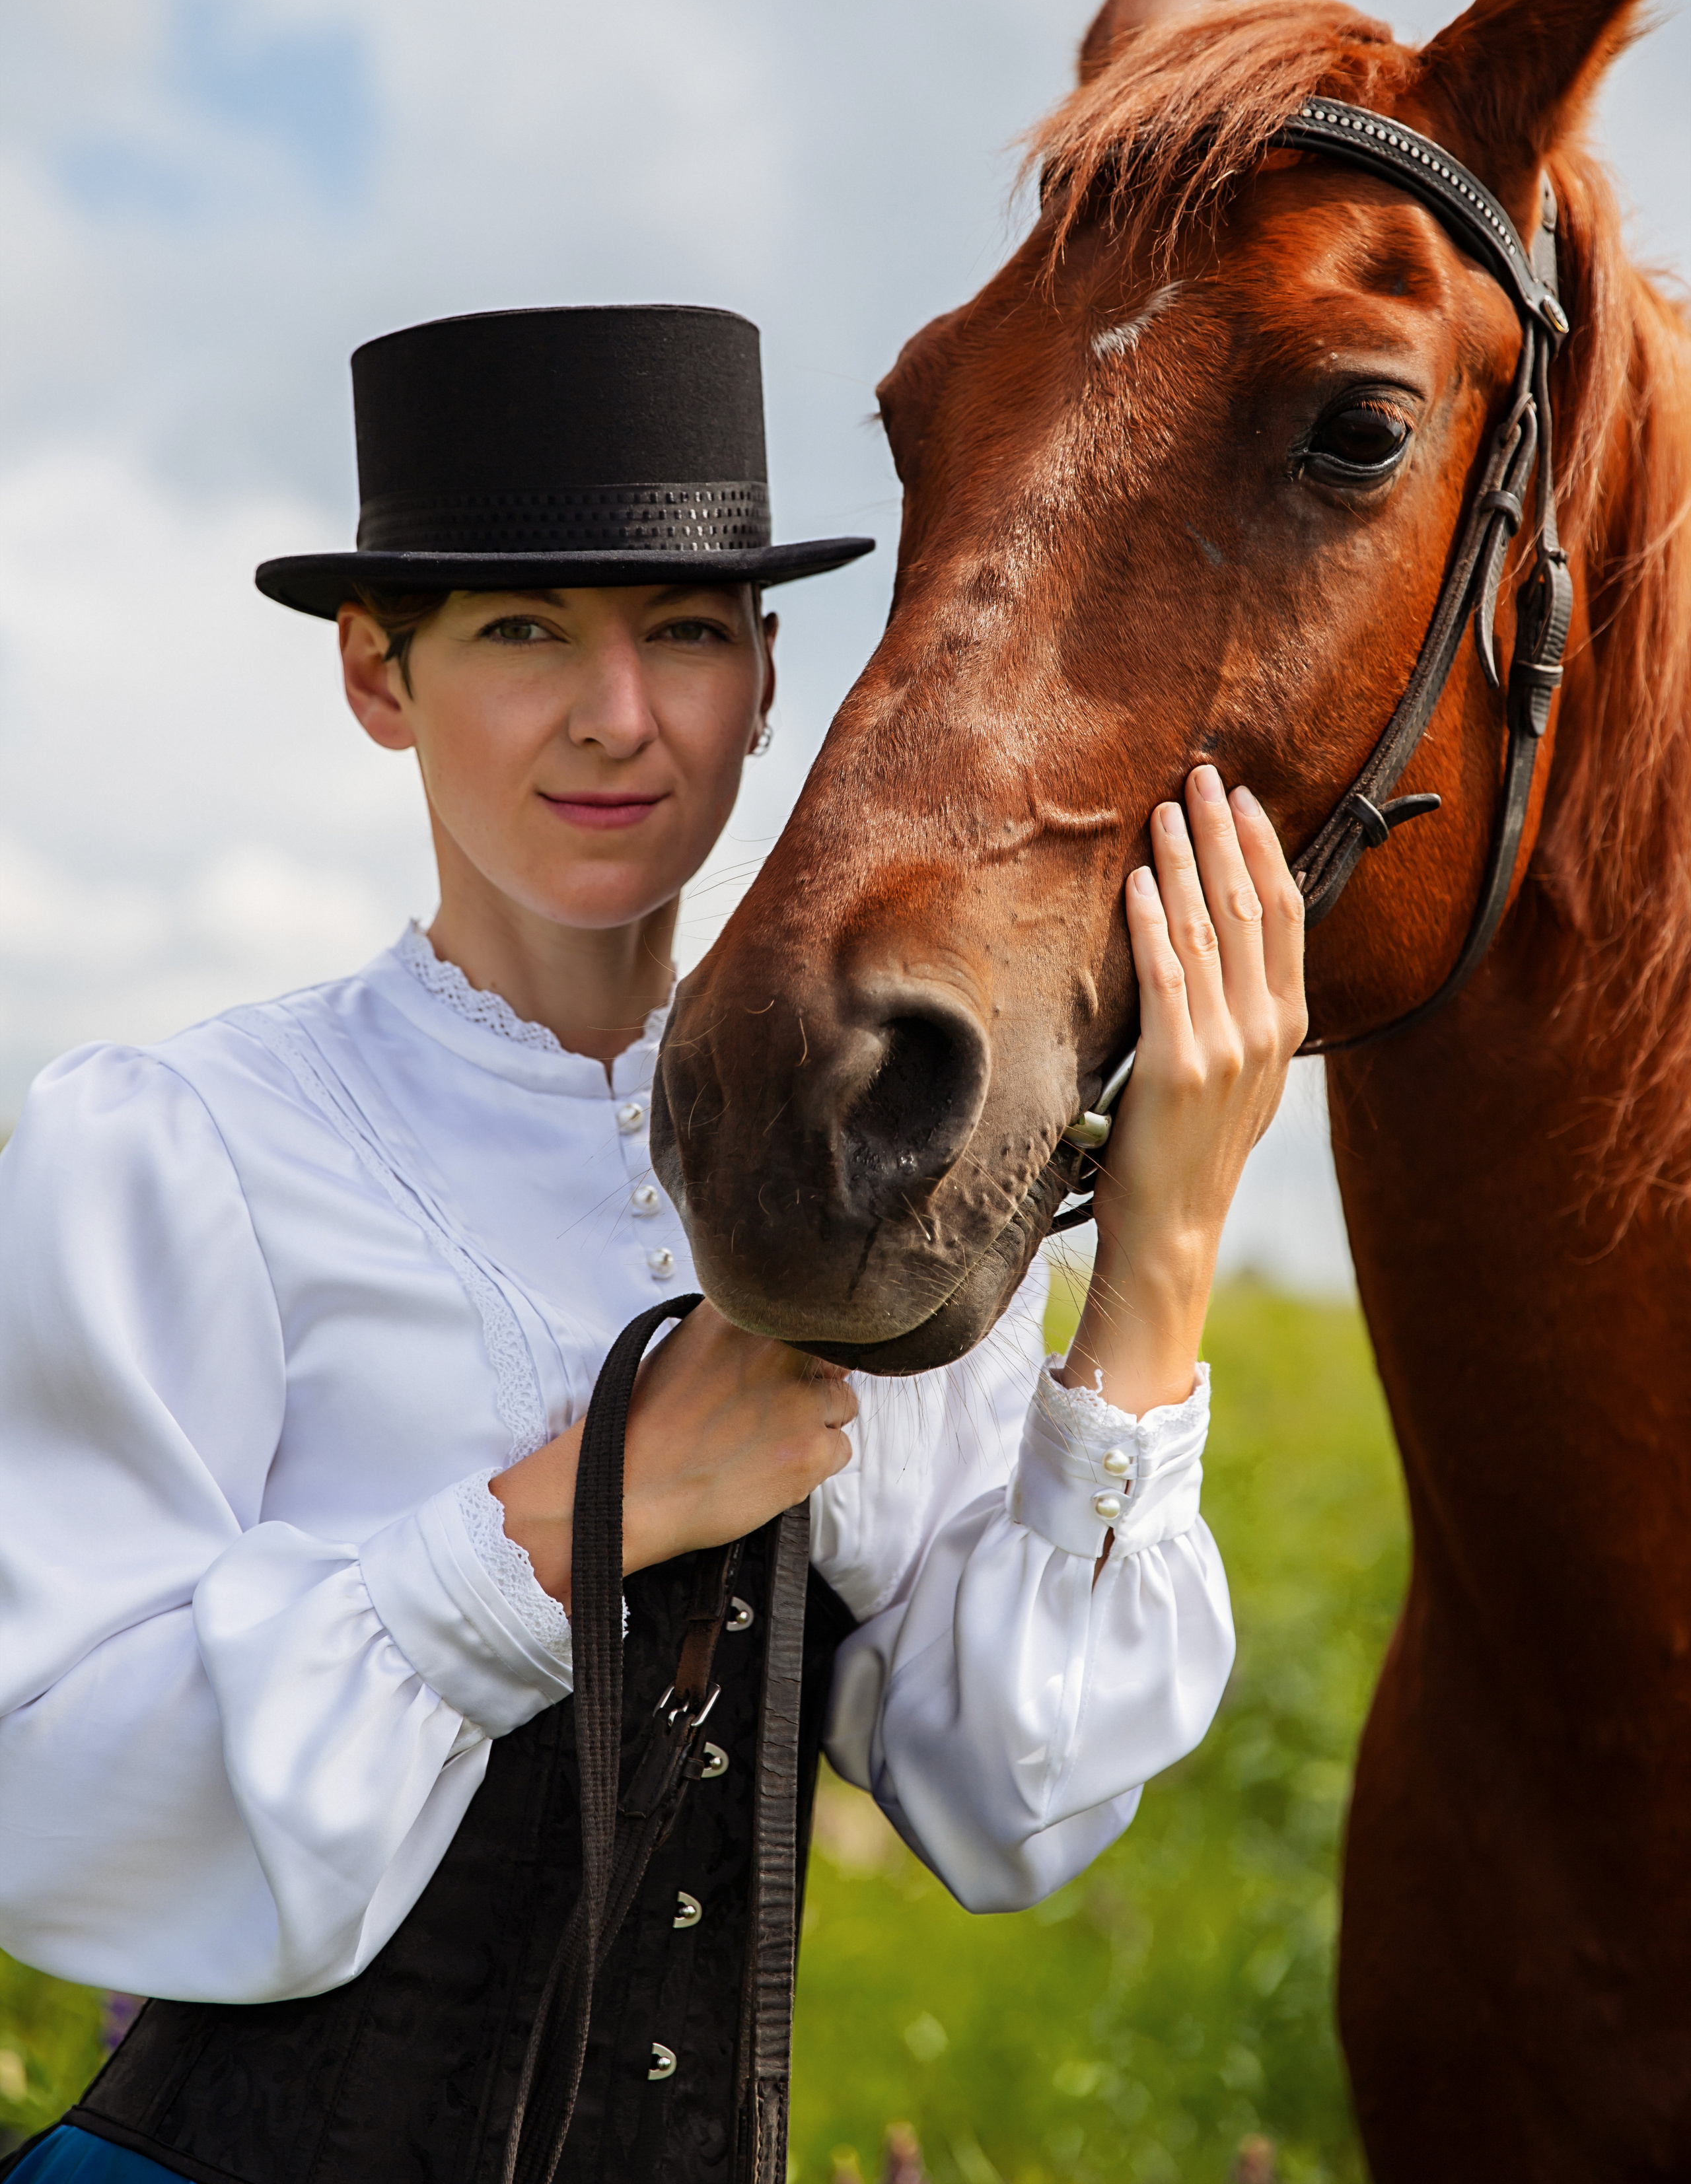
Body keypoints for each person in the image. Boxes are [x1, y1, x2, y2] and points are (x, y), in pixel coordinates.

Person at [0, 304, 1307, 2184]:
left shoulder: (857, 1185)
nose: (620, 716)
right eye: (524, 631)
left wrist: (1166, 1247)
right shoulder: (190, 1147)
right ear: (378, 673)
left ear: (769, 679)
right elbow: (52, 1811)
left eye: (685, 634)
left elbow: (1017, 1806)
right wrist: (584, 1510)